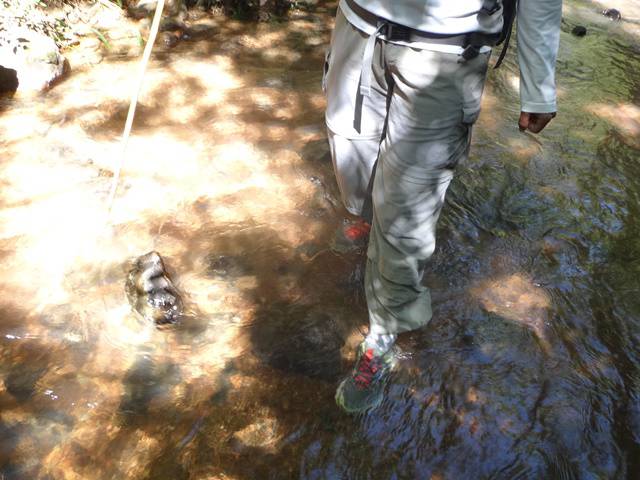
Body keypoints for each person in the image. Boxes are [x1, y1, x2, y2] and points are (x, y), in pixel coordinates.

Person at [324, 0, 562, 413]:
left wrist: (538, 82)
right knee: (352, 169)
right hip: (358, 25)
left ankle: (382, 336)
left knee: (405, 212)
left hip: (448, 52)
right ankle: (364, 222)